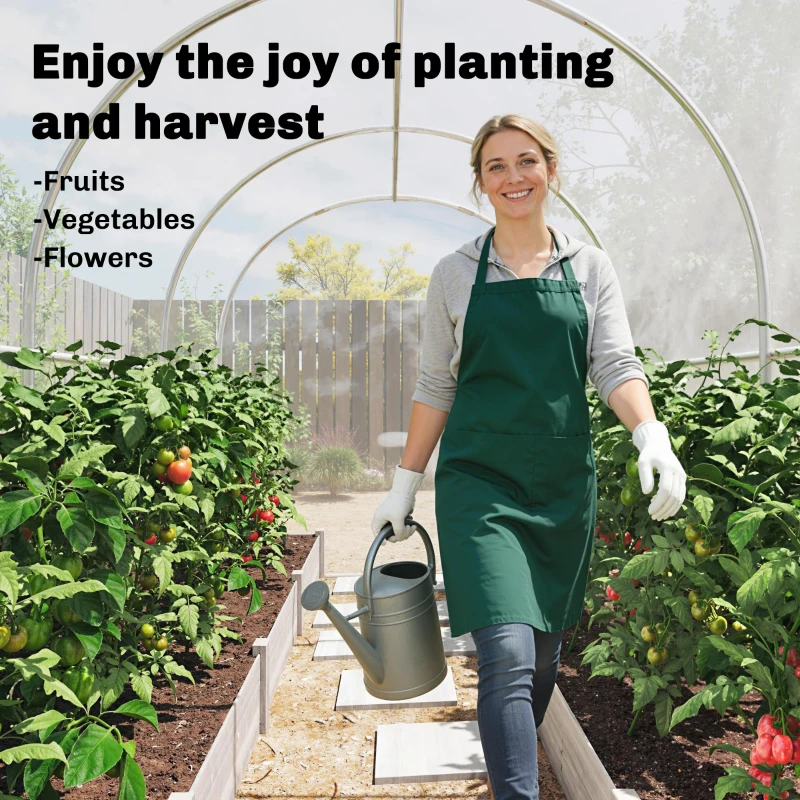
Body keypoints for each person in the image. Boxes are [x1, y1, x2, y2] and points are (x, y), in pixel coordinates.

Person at [371, 114, 686, 800]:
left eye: (526, 161)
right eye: (496, 166)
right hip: (479, 483)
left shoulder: (589, 267)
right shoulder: (454, 274)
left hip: (560, 484)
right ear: (481, 183)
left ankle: (508, 761)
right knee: (507, 654)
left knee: (542, 656)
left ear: (551, 171)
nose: (513, 177)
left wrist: (649, 434)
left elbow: (612, 363)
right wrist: (405, 483)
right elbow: (435, 383)